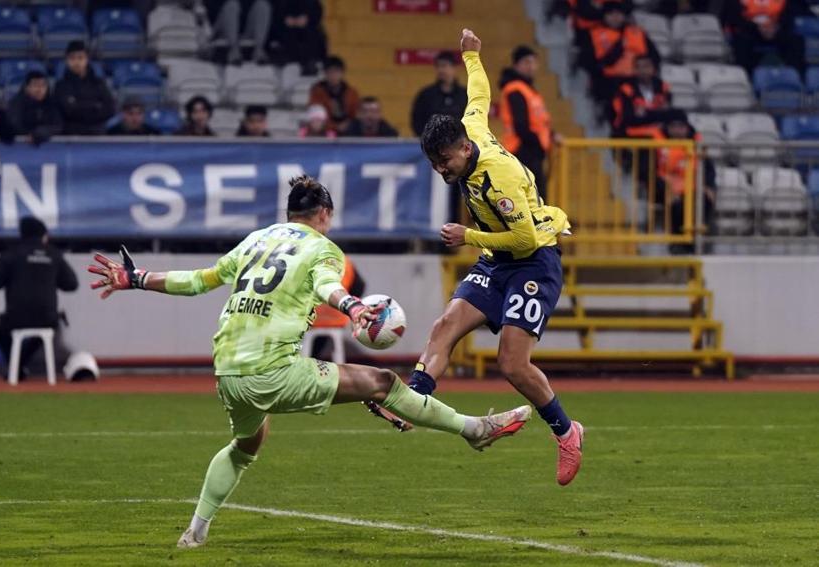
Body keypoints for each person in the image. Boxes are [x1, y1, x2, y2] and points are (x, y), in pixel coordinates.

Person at [87, 174, 532, 548]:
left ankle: (195, 532)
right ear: (324, 215)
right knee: (382, 382)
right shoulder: (323, 248)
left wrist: (138, 277)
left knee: (246, 444)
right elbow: (325, 286)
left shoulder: (257, 239)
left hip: (227, 371)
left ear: (289, 214)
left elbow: (199, 281)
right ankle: (474, 430)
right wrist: (353, 307)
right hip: (272, 372)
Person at [412, 29, 584, 487]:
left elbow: (525, 239)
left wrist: (469, 235)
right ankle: (414, 398)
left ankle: (566, 432)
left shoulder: (499, 178)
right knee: (444, 327)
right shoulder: (470, 129)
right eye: (435, 163)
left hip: (532, 261)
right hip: (496, 257)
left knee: (511, 363)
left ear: (465, 150)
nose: (441, 169)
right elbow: (480, 94)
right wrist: (472, 55)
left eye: (444, 161)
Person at [0, 217, 78, 380]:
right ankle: (19, 365)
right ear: (44, 235)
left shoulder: (11, 254)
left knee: (1, 328)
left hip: (15, 318)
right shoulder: (54, 255)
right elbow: (71, 284)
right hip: (48, 319)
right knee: (50, 327)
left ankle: (15, 366)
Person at [498, 45, 557, 193]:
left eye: (533, 62)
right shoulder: (515, 90)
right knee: (533, 199)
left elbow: (539, 121)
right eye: (526, 62)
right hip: (522, 150)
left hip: (531, 150)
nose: (531, 67)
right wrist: (538, 144)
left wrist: (552, 135)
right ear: (516, 65)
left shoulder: (527, 89)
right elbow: (521, 125)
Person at [654, 112, 716, 248]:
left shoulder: (697, 145)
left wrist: (708, 186)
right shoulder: (656, 145)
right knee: (678, 206)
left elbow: (708, 168)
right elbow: (650, 171)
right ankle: (677, 245)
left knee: (704, 201)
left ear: (687, 128)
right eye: (674, 126)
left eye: (681, 127)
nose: (677, 131)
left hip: (693, 188)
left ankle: (698, 244)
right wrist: (664, 188)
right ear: (668, 128)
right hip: (667, 189)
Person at [579, 1, 660, 103]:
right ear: (604, 15)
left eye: (618, 14)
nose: (615, 17)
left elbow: (655, 57)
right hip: (610, 81)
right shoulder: (593, 34)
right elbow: (590, 63)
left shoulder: (637, 32)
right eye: (611, 14)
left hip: (638, 80)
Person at [722, 0, 809, 75]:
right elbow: (734, 17)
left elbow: (789, 16)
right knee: (741, 42)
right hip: (750, 30)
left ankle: (795, 77)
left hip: (775, 30)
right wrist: (757, 28)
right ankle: (746, 77)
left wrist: (776, 27)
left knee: (796, 41)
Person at [53, 40, 116, 135]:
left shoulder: (99, 83)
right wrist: (94, 107)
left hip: (97, 136)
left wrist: (77, 106)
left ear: (87, 59)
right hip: (70, 138)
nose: (76, 62)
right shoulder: (61, 86)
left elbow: (110, 109)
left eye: (80, 58)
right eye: (72, 58)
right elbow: (63, 112)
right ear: (67, 61)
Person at [611, 54, 672, 138]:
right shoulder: (626, 89)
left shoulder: (663, 87)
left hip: (658, 134)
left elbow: (668, 115)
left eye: (646, 66)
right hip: (632, 134)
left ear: (654, 69)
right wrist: (656, 113)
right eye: (638, 67)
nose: (642, 70)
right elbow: (629, 117)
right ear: (634, 70)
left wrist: (645, 113)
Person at [410, 51, 468, 137]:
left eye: (444, 66)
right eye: (438, 66)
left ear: (454, 68)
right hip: (432, 145)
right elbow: (417, 122)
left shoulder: (465, 95)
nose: (440, 70)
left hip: (460, 144)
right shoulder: (426, 95)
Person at [204, 0, 272, 65]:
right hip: (222, 27)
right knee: (232, 5)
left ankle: (259, 50)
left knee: (262, 5)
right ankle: (234, 51)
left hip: (245, 30)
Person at [7, 71, 62, 145]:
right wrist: (31, 133)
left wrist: (39, 133)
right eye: (35, 85)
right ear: (27, 87)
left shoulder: (51, 103)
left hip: (48, 149)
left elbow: (57, 126)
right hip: (19, 147)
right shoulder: (16, 103)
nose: (39, 89)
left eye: (43, 86)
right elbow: (14, 125)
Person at [270, 0, 326, 75]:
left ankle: (310, 62)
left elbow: (317, 11)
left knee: (315, 34)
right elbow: (273, 14)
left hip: (306, 30)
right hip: (283, 31)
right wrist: (284, 20)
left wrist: (307, 19)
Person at [308, 56, 360, 133]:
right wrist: (335, 126)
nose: (333, 75)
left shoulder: (352, 93)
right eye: (330, 72)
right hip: (325, 129)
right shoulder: (317, 91)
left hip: (348, 129)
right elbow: (316, 115)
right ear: (325, 74)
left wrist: (347, 124)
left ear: (342, 73)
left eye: (336, 71)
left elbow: (355, 114)